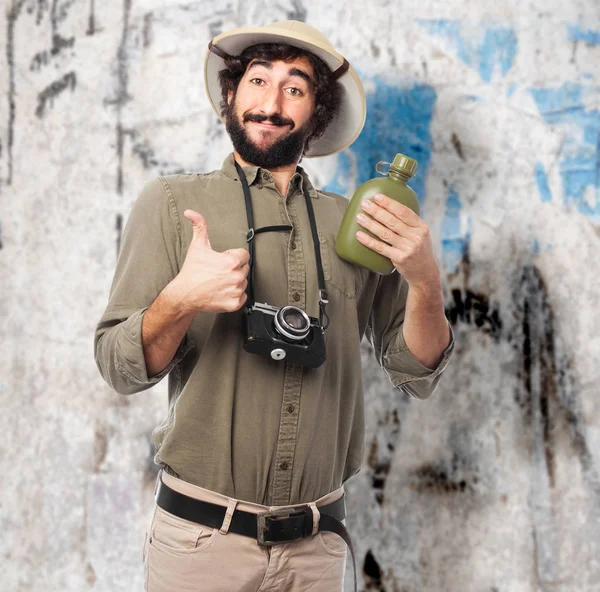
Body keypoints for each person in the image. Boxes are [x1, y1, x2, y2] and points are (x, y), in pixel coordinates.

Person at [94, 20, 455, 592]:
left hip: (317, 548)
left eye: (295, 88)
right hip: (201, 545)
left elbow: (416, 371)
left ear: (316, 113)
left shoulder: (356, 221)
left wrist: (426, 282)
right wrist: (182, 299)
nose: (271, 103)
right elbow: (118, 365)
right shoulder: (171, 204)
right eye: (258, 81)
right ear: (230, 97)